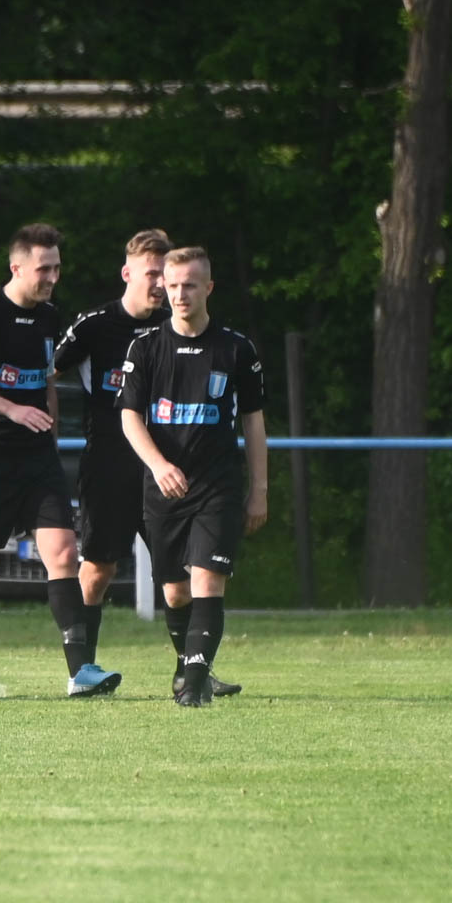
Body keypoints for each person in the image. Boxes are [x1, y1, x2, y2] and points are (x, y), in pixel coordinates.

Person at [52, 228, 242, 697]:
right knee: (98, 567)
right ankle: (82, 671)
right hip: (110, 466)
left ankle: (190, 671)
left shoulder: (172, 330)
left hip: (168, 473)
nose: (161, 284)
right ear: (127, 273)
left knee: (178, 582)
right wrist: (41, 425)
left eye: (166, 275)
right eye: (152, 274)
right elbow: (45, 373)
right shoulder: (94, 325)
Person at [0, 223, 121, 699]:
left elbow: (45, 382)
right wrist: (11, 409)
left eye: (57, 268)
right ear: (17, 267)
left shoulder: (49, 317)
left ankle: (80, 672)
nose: (53, 278)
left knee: (63, 552)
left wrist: (50, 432)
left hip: (37, 456)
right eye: (44, 269)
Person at [119, 246, 268, 706]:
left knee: (207, 580)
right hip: (164, 489)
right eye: (173, 285)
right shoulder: (145, 347)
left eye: (190, 285)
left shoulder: (236, 349)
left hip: (217, 485)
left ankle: (194, 687)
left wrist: (259, 490)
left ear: (209, 288)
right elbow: (129, 418)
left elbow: (253, 422)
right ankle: (189, 668)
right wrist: (159, 465)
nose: (180, 294)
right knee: (176, 592)